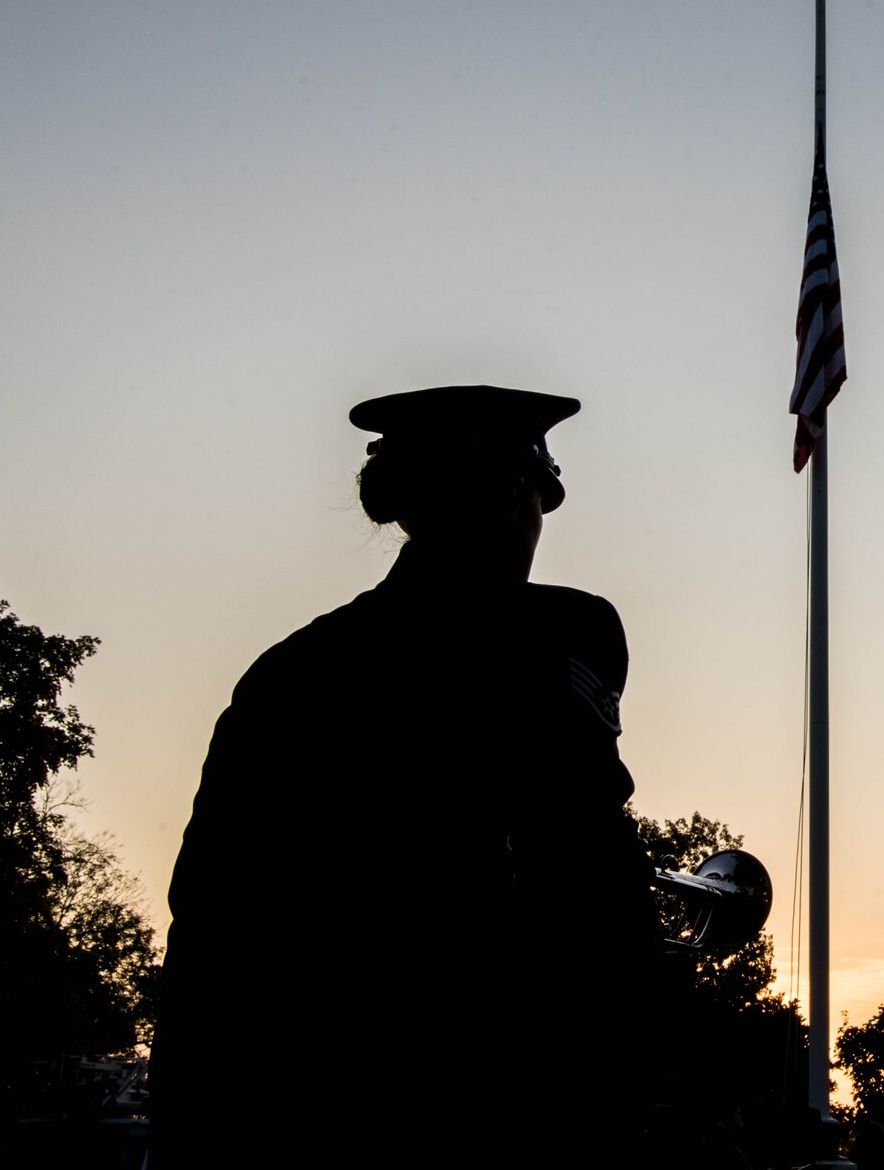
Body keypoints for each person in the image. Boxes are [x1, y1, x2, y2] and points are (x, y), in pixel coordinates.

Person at [149, 385, 663, 1167]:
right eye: (538, 495)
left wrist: (184, 1131)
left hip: (315, 1107)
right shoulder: (564, 633)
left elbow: (210, 925)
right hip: (509, 1099)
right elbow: (591, 864)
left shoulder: (291, 674)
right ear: (510, 494)